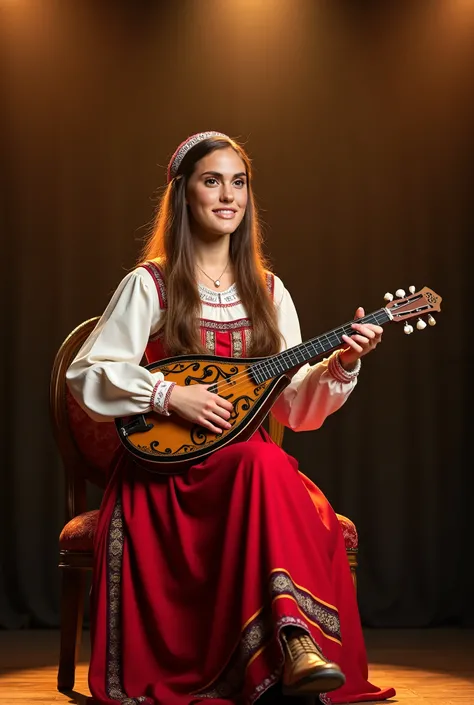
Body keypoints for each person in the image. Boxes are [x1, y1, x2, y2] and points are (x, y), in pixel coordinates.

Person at [66, 131, 396, 705]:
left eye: (238, 182)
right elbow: (87, 372)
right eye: (211, 180)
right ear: (183, 194)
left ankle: (288, 649)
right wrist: (169, 396)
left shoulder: (269, 291)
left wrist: (340, 366)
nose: (228, 195)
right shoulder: (152, 283)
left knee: (265, 460)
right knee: (267, 464)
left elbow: (292, 404)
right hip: (166, 482)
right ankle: (290, 647)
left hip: (247, 473)